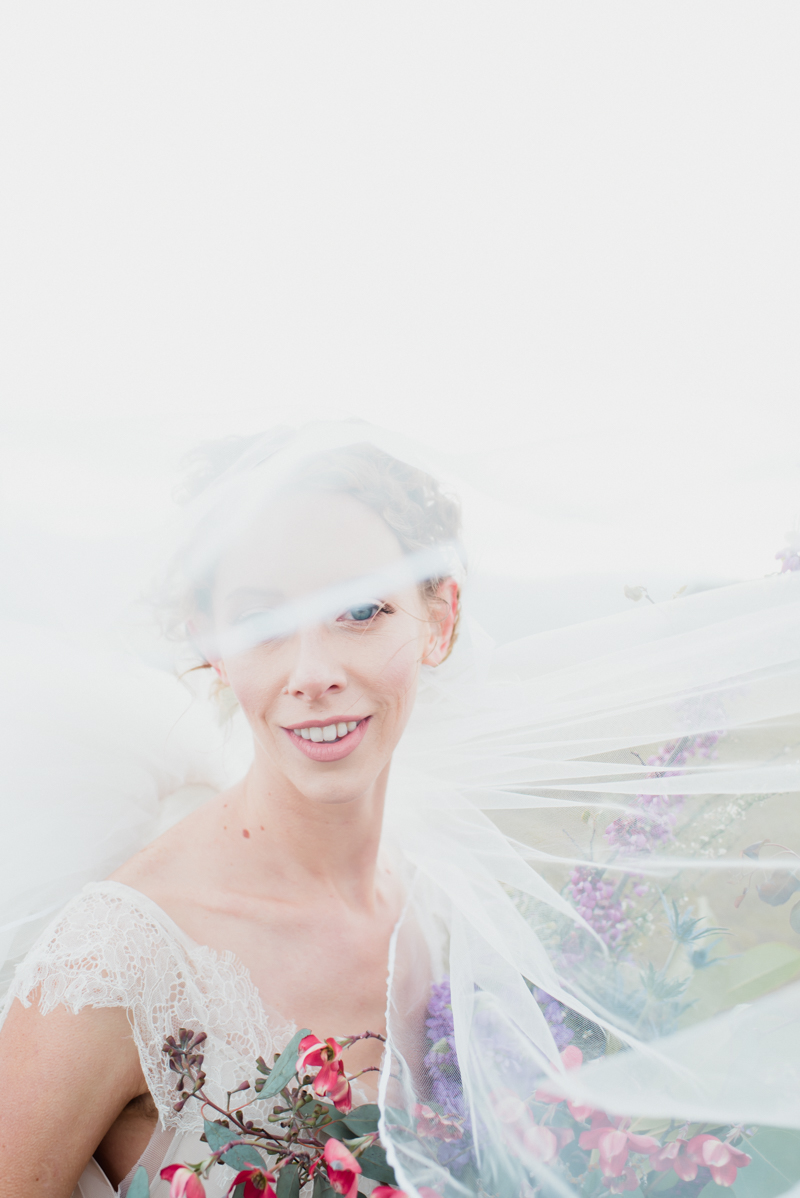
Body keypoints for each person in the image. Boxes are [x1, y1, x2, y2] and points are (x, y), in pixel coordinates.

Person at [1, 422, 800, 1198]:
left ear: (440, 619)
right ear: (208, 640)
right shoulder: (114, 961)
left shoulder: (449, 909)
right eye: (260, 621)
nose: (313, 672)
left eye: (360, 611)